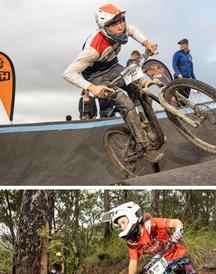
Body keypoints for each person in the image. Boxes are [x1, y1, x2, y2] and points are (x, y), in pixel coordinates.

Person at [62, 3, 163, 163]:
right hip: (96, 77)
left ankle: (148, 124)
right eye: (115, 23)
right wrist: (92, 87)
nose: (121, 26)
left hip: (114, 67)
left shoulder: (122, 30)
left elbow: (133, 29)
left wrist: (146, 42)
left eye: (122, 20)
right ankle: (146, 149)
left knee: (140, 88)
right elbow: (68, 72)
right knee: (125, 103)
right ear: (104, 27)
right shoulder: (93, 49)